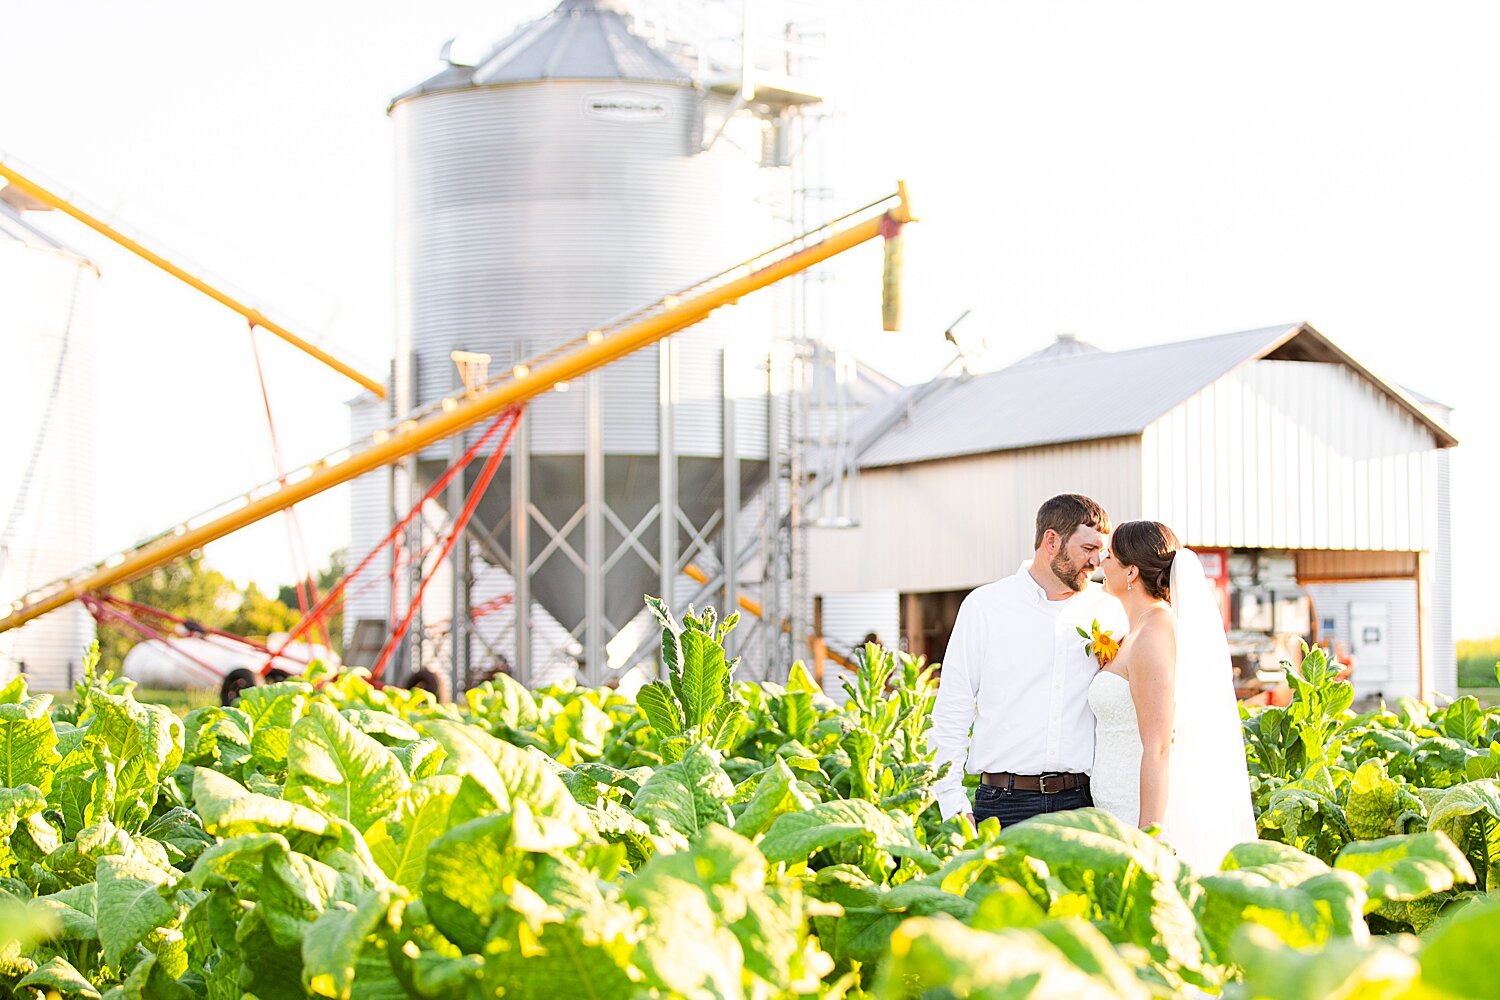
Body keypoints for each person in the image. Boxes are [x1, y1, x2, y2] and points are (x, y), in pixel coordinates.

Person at [929, 494, 1128, 828]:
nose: (1096, 562)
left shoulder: (1109, 610)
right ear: (1051, 540)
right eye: (1088, 549)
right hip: (1003, 805)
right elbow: (952, 710)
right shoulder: (985, 607)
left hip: (1083, 804)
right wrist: (953, 805)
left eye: (1101, 551)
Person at [1089, 520, 1257, 871]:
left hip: (1137, 809)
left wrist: (1148, 837)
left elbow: (1159, 745)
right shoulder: (1135, 630)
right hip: (1113, 802)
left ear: (1131, 571)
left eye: (1110, 556)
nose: (1101, 563)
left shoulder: (1155, 632)